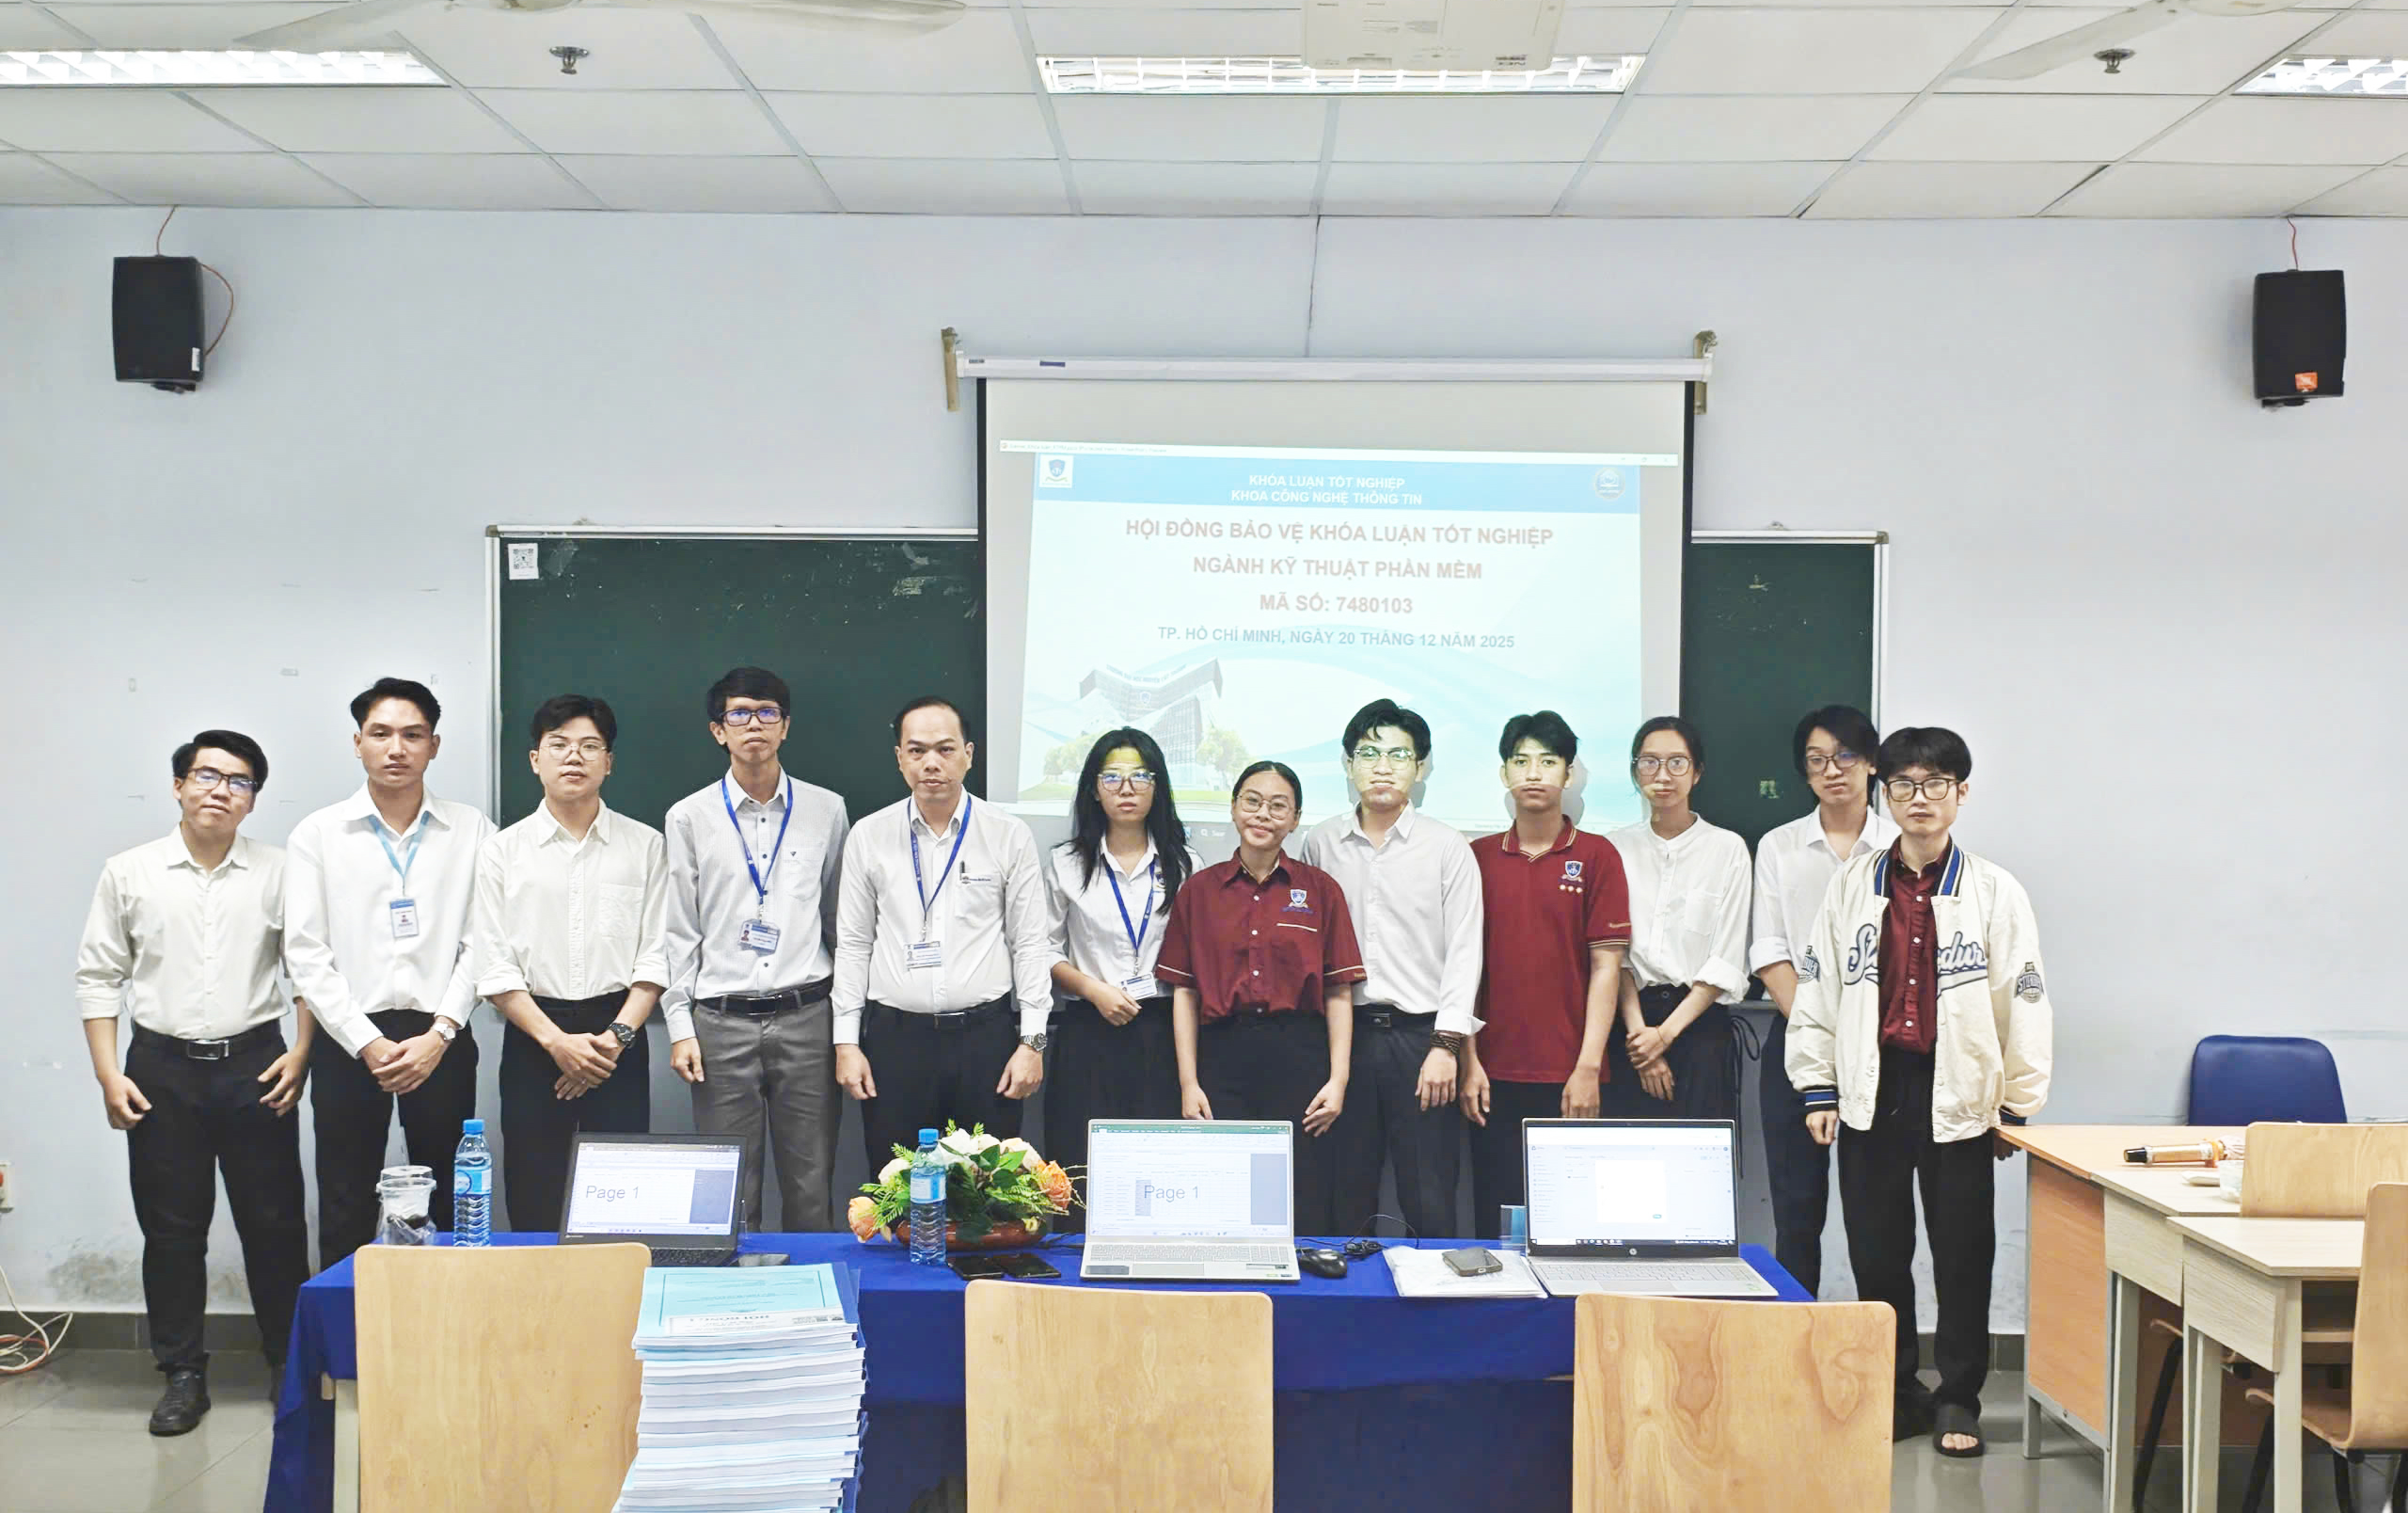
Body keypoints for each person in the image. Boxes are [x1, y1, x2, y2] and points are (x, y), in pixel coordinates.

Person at [1786, 726, 2052, 1457]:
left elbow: (2024, 997)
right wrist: (1817, 1086)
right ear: (1886, 795)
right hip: (1874, 1086)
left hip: (1958, 1089)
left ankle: (1959, 1398)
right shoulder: (1854, 884)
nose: (1919, 798)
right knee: (1877, 1253)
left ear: (1961, 793)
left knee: (1963, 1254)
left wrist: (2016, 1102)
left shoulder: (1994, 890)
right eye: (1903, 785)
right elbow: (1819, 988)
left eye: (1936, 784)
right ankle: (1897, 1393)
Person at [75, 730, 312, 1436]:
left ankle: (286, 1362)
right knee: (172, 1230)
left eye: (238, 781)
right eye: (206, 776)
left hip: (257, 1064)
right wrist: (108, 1075)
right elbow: (98, 976)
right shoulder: (129, 872)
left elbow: (308, 969)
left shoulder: (281, 871)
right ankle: (182, 1373)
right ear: (178, 786)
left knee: (274, 1224)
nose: (220, 790)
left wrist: (302, 1053)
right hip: (161, 1070)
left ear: (252, 801)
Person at [286, 677, 493, 1266]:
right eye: (380, 734)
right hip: (349, 1040)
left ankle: (449, 1319)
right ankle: (350, 1324)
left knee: (453, 1197)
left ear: (434, 746)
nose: (396, 748)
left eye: (412, 735)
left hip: (440, 1037)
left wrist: (441, 1033)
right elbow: (305, 952)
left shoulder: (472, 830)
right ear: (358, 743)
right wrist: (366, 1042)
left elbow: (485, 943)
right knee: (345, 1196)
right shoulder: (318, 834)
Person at [660, 667, 850, 1231]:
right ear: (718, 730)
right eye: (739, 714)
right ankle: (736, 1287)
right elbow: (679, 930)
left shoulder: (827, 810)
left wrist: (847, 1026)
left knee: (811, 1183)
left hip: (807, 1017)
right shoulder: (688, 817)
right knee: (730, 1193)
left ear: (785, 726)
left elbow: (841, 922)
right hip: (720, 1024)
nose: (754, 725)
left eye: (768, 713)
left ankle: (811, 1286)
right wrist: (680, 1026)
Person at [474, 694, 670, 1234]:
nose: (574, 757)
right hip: (534, 1035)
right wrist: (557, 1043)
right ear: (535, 760)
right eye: (558, 745)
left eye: (589, 746)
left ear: (609, 761)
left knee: (622, 1199)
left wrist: (613, 1041)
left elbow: (655, 956)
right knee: (534, 1194)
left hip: (618, 1035)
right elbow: (494, 965)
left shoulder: (645, 845)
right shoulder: (501, 851)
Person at [833, 697, 1054, 1168]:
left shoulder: (1007, 833)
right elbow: (853, 944)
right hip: (896, 1043)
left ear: (968, 755)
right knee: (898, 1185)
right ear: (899, 758)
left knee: (992, 1187)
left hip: (986, 1042)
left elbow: (1031, 943)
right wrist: (846, 1043)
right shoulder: (868, 836)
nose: (931, 763)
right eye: (916, 751)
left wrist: (1032, 1043)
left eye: (945, 749)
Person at [1301, 698, 1481, 1239]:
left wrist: (1446, 1046)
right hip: (1343, 1039)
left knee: (1429, 1193)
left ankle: (1434, 1292)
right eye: (1368, 754)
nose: (1382, 767)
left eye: (1399, 755)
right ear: (1347, 764)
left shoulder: (1447, 847)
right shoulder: (1321, 843)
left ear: (1420, 768)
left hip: (1421, 1041)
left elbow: (1465, 951)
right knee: (1344, 1189)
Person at [1157, 760, 1361, 1236]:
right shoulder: (1199, 891)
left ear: (1295, 819)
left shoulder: (1320, 890)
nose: (1263, 814)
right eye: (1252, 801)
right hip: (1222, 1055)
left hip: (1300, 1055)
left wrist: (1338, 1079)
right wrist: (1189, 1082)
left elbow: (1338, 991)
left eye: (1278, 806)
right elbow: (1184, 992)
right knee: (1224, 1194)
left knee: (1301, 1188)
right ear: (1233, 808)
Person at [1458, 711, 1630, 1240]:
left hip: (1570, 1074)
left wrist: (1588, 1067)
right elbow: (1462, 970)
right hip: (1491, 1074)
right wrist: (1468, 1061)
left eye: (1548, 761)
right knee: (1496, 1222)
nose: (1534, 773)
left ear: (1569, 773)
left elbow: (1607, 967)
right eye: (1521, 761)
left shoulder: (1598, 855)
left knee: (1571, 1224)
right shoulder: (1476, 857)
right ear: (1504, 772)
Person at [1749, 704, 1894, 1298]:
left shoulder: (1899, 846)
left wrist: (1854, 1036)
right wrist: (1816, 1030)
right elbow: (1768, 950)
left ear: (1872, 764)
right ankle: (1794, 1336)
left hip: (1879, 1052)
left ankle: (1883, 1346)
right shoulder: (1779, 846)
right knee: (1796, 1212)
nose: (1832, 770)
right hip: (1794, 1044)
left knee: (1876, 1218)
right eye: (1817, 760)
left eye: (1846, 756)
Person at [1041, 728, 1198, 1230]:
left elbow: (1194, 962)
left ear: (1157, 786)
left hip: (1161, 1029)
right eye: (1112, 777)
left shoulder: (1185, 864)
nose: (1126, 788)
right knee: (1081, 1166)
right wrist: (1092, 989)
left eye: (1140, 776)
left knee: (1157, 1170)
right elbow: (1042, 949)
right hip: (1089, 1027)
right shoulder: (1066, 863)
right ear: (1094, 788)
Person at [1605, 717, 1749, 1122]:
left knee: (1699, 1150)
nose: (1663, 775)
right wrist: (1642, 1040)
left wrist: (1664, 1036)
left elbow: (1726, 958)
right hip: (1629, 1025)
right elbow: (1615, 955)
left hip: (1699, 1028)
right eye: (1649, 762)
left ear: (1697, 772)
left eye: (1677, 763)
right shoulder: (1613, 848)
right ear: (1636, 771)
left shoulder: (1728, 849)